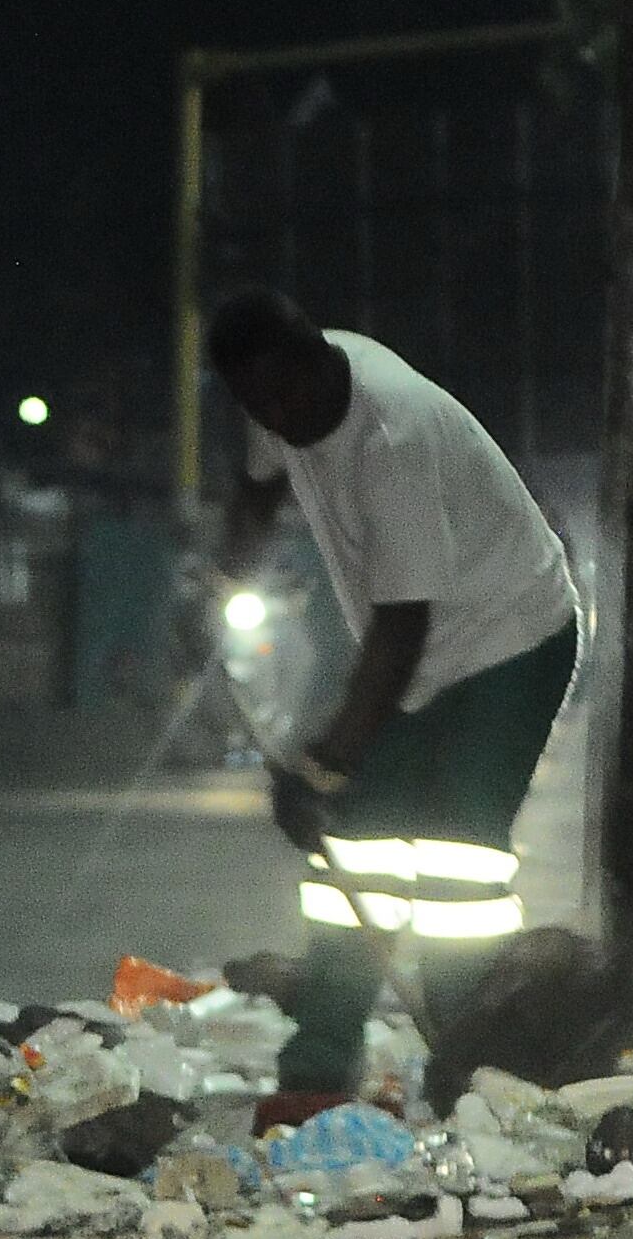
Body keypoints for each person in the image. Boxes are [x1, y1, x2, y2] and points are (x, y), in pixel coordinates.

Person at [207, 287, 585, 1106]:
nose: (279, 414)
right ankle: (315, 1069)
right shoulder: (274, 397)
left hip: (511, 636)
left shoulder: (394, 438)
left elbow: (400, 633)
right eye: (258, 403)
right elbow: (258, 490)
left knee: (459, 854)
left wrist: (326, 761)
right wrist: (221, 579)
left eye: (287, 394)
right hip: (421, 643)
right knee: (361, 846)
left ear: (320, 358)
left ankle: (469, 1062)